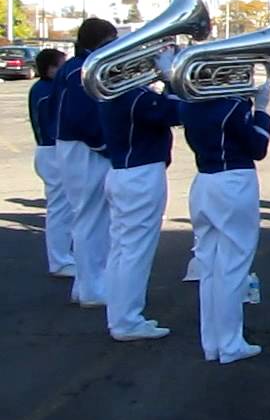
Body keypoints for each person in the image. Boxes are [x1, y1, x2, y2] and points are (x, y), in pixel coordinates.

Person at [179, 76, 270, 364]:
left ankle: (213, 343)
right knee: (233, 266)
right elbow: (258, 147)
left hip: (203, 181)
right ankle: (231, 344)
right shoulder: (232, 107)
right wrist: (263, 109)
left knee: (208, 267)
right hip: (233, 181)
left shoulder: (190, 104)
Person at [99, 54, 183, 341]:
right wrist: (170, 79)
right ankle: (126, 321)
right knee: (136, 251)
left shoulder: (112, 93)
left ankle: (118, 313)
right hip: (140, 175)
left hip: (122, 173)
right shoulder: (135, 97)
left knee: (122, 247)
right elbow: (175, 113)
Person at [53, 18, 118, 306]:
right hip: (83, 148)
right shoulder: (82, 70)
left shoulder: (75, 66)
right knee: (92, 219)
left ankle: (85, 283)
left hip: (75, 146)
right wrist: (102, 143)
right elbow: (81, 115)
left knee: (89, 218)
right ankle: (92, 287)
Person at [28, 48, 74, 279]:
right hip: (51, 151)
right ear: (49, 68)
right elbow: (54, 124)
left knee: (64, 206)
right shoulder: (46, 92)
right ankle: (60, 260)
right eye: (60, 65)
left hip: (50, 151)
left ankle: (64, 256)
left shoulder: (45, 89)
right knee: (60, 208)